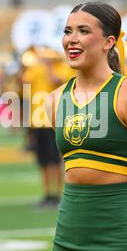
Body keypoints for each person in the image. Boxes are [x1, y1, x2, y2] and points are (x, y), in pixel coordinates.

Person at [46, 2, 127, 251]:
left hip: (119, 236)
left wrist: (120, 209)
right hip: (68, 235)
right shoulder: (55, 100)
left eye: (83, 31)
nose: (72, 40)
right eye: (67, 31)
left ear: (108, 41)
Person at [21, 47, 74, 209]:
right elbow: (23, 82)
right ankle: (47, 194)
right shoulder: (36, 68)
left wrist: (49, 66)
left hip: (54, 120)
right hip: (37, 120)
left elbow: (56, 81)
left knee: (55, 160)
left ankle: (58, 194)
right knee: (42, 161)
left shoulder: (64, 68)